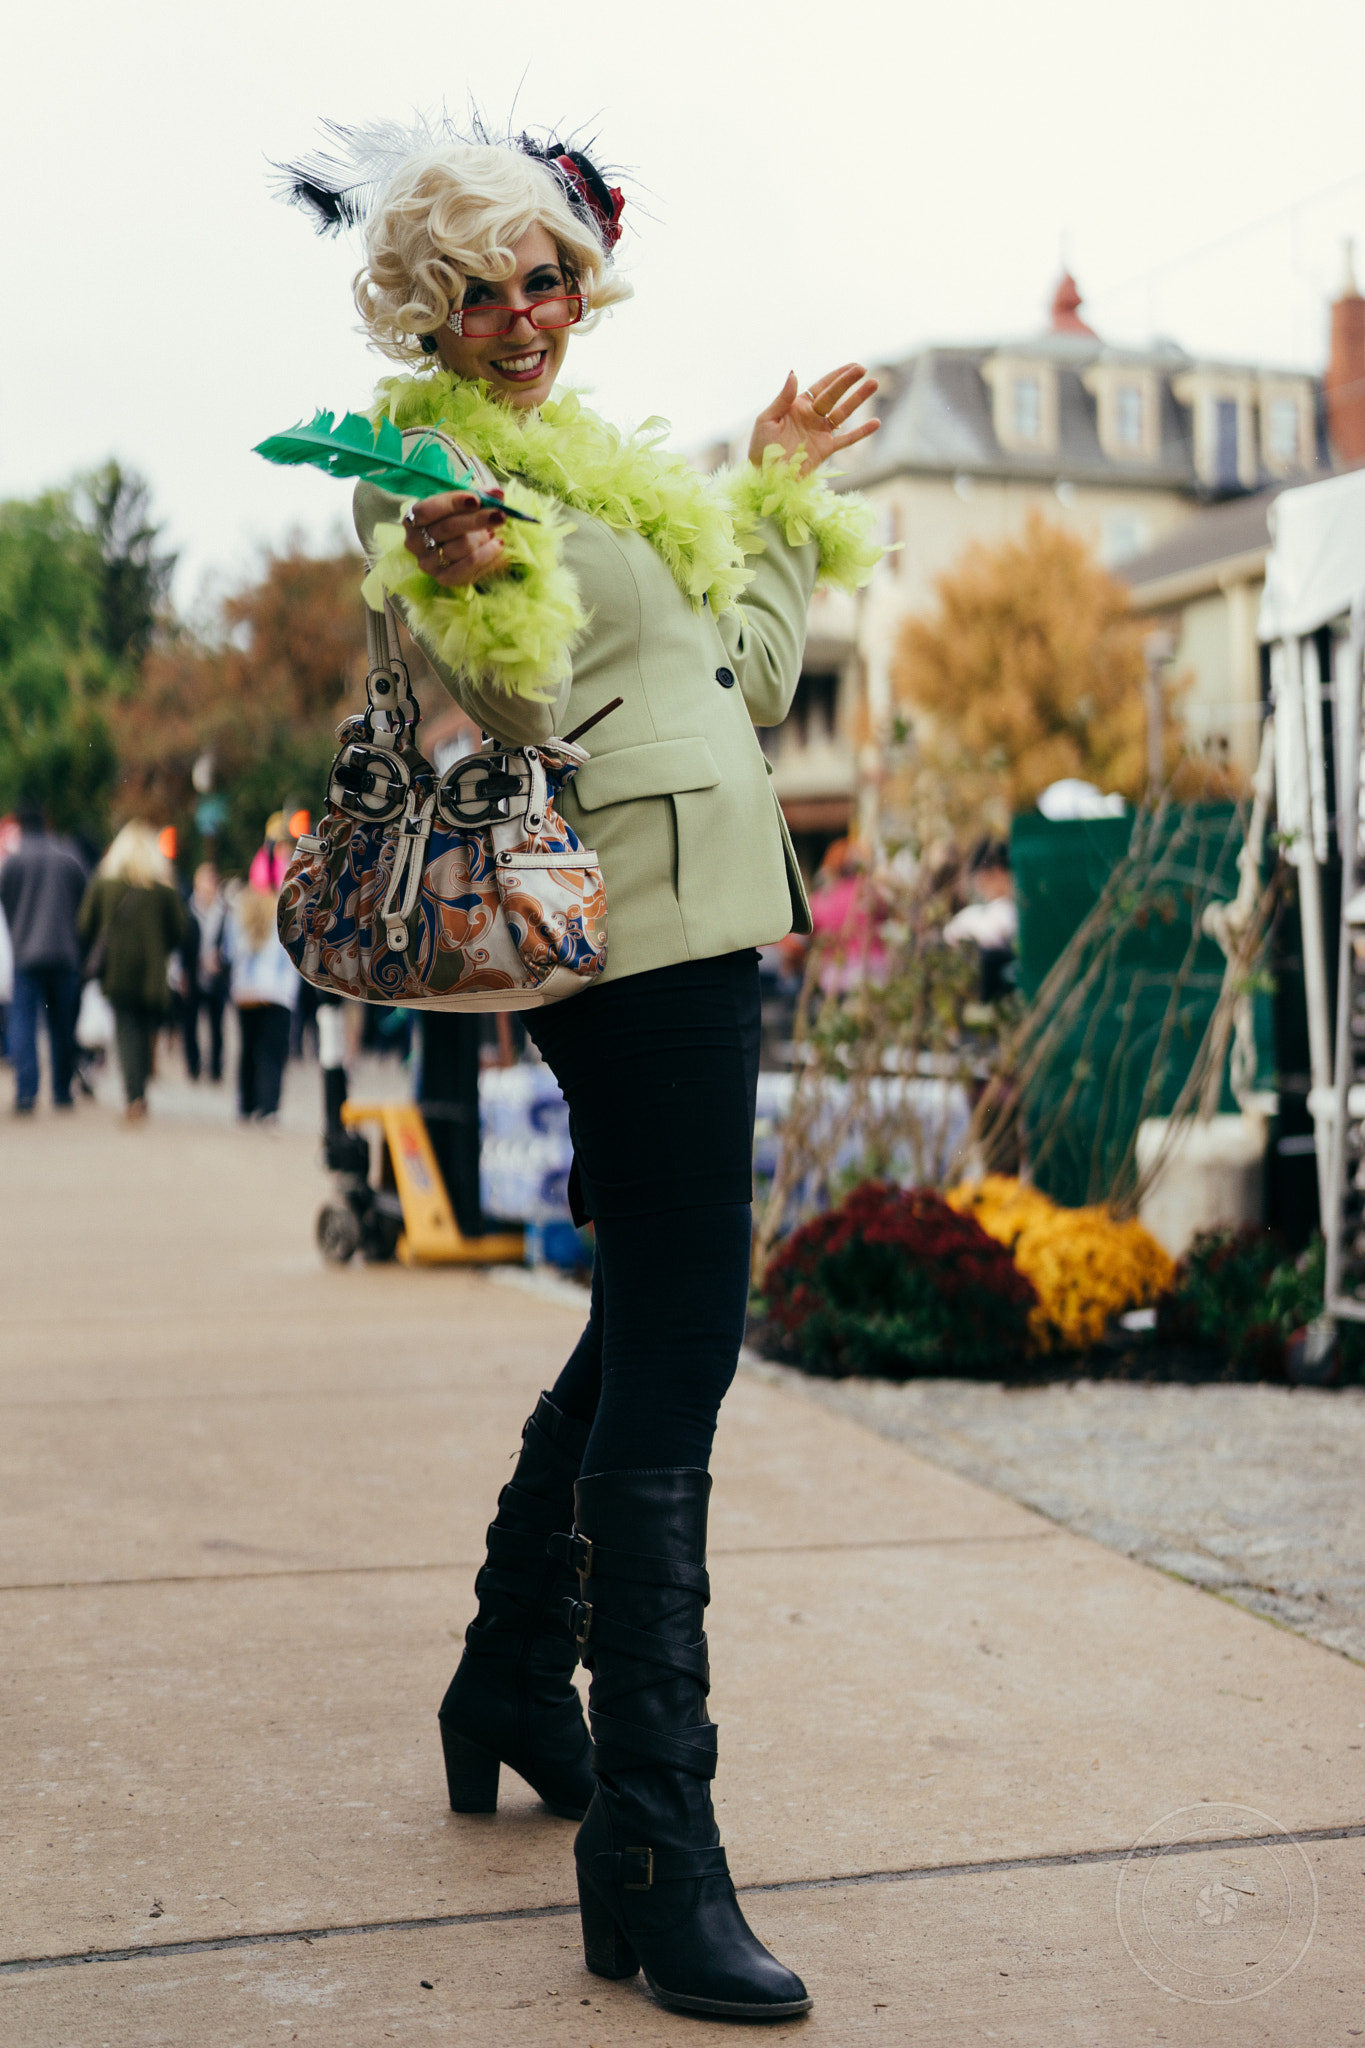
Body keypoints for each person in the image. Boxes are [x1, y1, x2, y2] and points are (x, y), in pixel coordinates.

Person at [283, 115, 881, 2021]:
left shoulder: (614, 472)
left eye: (545, 274)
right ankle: (652, 1835)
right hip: (617, 943)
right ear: (429, 309)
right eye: (480, 286)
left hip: (720, 917)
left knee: (650, 1315)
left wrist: (776, 493)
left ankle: (512, 1669)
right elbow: (536, 701)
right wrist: (465, 573)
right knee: (685, 1343)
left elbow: (747, 683)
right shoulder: (426, 484)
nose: (524, 311)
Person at [78, 823, 187, 1122]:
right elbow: (179, 931)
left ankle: (133, 1097)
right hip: (153, 974)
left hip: (118, 971)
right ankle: (140, 1093)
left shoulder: (105, 884)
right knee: (145, 1030)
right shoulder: (163, 890)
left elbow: (85, 923)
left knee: (126, 1032)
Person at [0, 802, 88, 1115]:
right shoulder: (68, 858)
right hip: (64, 952)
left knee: (23, 1022)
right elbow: (83, 902)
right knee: (62, 1025)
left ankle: (27, 1092)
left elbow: (6, 904)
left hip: (26, 954)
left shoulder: (14, 862)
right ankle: (62, 1090)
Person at [226, 883, 299, 1123]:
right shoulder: (286, 914)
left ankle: (246, 1104)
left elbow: (230, 951)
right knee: (272, 1053)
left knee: (248, 1049)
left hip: (246, 991)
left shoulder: (239, 911)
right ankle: (269, 1105)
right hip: (276, 992)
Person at [183, 862, 229, 1081]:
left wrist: (221, 959)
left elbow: (230, 944)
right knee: (190, 1023)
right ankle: (193, 1065)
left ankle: (216, 1067)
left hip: (216, 975)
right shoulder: (187, 909)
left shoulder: (224, 912)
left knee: (216, 1025)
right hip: (193, 974)